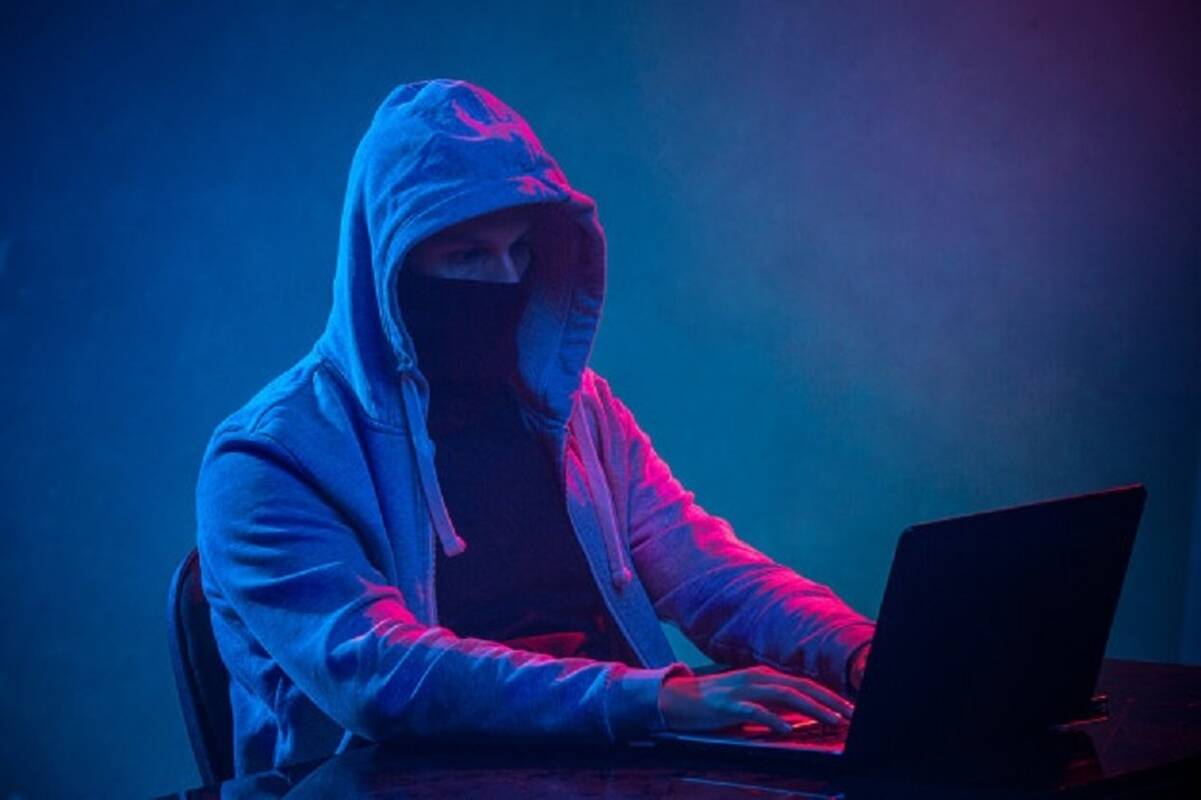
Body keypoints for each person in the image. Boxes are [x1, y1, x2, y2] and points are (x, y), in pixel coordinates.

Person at [195, 77, 875, 778]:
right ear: (388, 266)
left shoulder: (575, 410)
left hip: (620, 765)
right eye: (466, 256)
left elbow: (704, 570)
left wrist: (861, 652)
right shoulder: (266, 458)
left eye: (519, 251)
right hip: (395, 785)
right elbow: (379, 675)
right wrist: (657, 701)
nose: (503, 279)